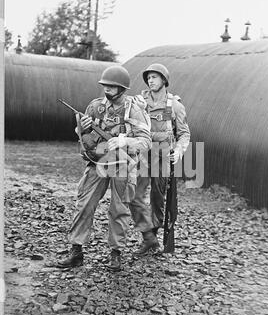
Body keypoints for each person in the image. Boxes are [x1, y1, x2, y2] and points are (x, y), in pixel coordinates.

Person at [57, 65, 152, 271]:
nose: (107, 90)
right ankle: (76, 251)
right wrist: (83, 126)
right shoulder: (95, 106)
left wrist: (124, 141)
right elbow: (83, 136)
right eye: (105, 86)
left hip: (123, 165)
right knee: (84, 204)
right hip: (98, 162)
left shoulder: (134, 109)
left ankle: (115, 254)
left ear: (122, 89)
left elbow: (146, 142)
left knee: (119, 209)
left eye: (111, 87)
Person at [130, 63, 190, 256]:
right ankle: (148, 236)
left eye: (154, 77)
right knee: (135, 194)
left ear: (164, 80)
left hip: (163, 154)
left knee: (158, 197)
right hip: (143, 153)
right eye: (148, 77)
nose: (150, 80)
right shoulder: (139, 102)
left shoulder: (175, 106)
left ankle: (153, 234)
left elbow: (184, 134)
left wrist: (179, 151)